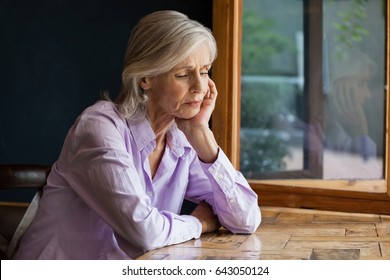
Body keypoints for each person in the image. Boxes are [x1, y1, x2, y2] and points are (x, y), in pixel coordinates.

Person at [14, 10, 261, 260]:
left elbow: (246, 219)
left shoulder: (181, 138)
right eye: (183, 74)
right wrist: (199, 223)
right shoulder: (98, 127)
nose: (200, 87)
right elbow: (145, 232)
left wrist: (202, 134)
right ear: (145, 78)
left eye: (205, 71)